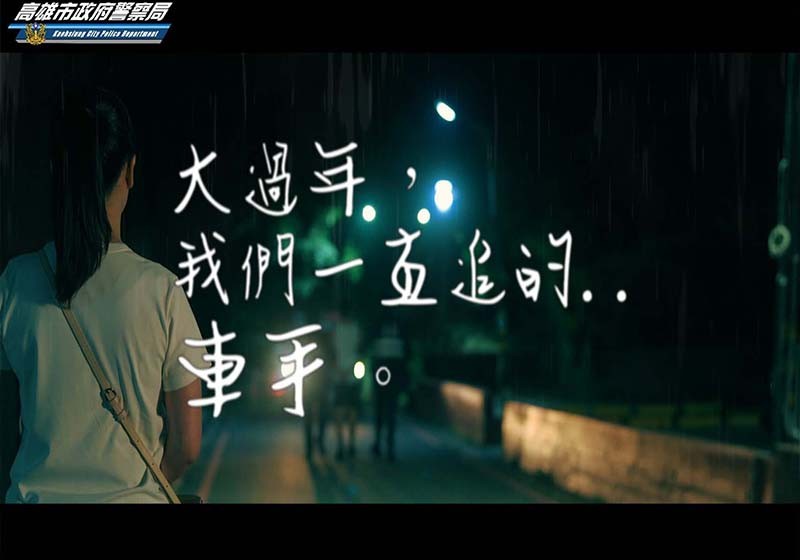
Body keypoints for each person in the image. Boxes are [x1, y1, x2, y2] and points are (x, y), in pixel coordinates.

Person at [0, 87, 206, 503]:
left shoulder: (15, 283)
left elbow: (6, 421)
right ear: (130, 172)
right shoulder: (162, 291)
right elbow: (187, 445)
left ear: (57, 172)